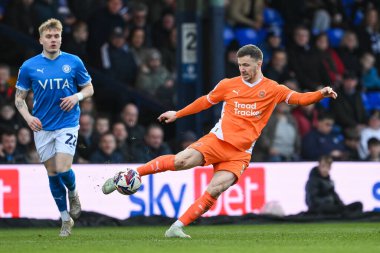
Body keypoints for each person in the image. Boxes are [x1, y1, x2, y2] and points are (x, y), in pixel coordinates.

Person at [102, 44, 338, 238]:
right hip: (217, 141)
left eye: (246, 65)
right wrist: (178, 113)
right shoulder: (228, 84)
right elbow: (205, 101)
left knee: (216, 188)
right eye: (240, 65)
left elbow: (298, 99)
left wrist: (320, 94)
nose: (242, 69)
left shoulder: (272, 88)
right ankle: (130, 175)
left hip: (240, 153)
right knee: (181, 161)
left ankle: (177, 228)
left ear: (259, 64)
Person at [14, 18, 94, 237]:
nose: (53, 40)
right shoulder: (29, 66)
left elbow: (89, 88)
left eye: (56, 36)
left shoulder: (73, 62)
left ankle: (74, 194)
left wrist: (76, 96)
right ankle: (65, 219)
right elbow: (19, 99)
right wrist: (28, 117)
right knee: (52, 174)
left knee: (62, 167)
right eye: (48, 36)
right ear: (41, 39)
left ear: (61, 38)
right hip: (42, 127)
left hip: (67, 124)